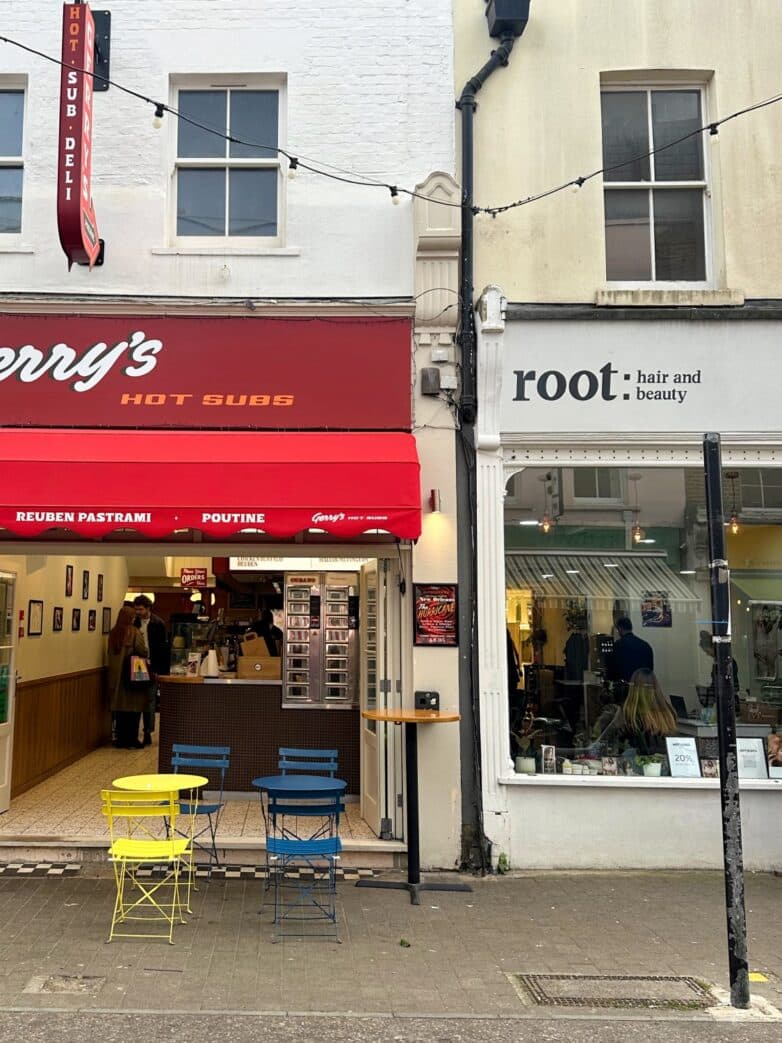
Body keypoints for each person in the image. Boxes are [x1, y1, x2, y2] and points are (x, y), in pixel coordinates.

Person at [595, 668, 677, 756]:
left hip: (636, 760)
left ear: (633, 689)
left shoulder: (629, 712)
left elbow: (605, 736)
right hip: (664, 759)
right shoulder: (668, 711)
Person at [106, 606, 149, 749]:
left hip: (115, 677)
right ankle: (132, 739)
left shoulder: (113, 633)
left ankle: (120, 739)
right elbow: (142, 651)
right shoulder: (134, 632)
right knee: (134, 709)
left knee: (120, 711)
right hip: (132, 675)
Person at [133, 595, 170, 746]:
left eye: (141, 609)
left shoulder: (158, 624)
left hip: (152, 663)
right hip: (138, 663)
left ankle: (148, 731)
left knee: (150, 699)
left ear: (148, 608)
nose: (138, 612)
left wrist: (159, 669)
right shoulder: (134, 622)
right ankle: (136, 731)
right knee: (138, 698)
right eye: (136, 609)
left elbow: (162, 648)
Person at [606, 617, 654, 684]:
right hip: (643, 685)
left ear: (620, 629)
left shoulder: (618, 645)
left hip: (625, 686)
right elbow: (650, 670)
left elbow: (612, 669)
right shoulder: (646, 645)